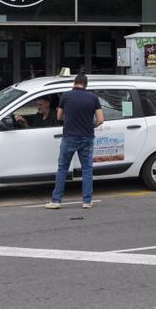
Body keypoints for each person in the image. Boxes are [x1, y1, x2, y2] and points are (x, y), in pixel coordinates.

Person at [45, 74, 104, 210]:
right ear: (86, 84)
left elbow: (59, 116)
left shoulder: (65, 96)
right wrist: (91, 126)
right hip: (87, 137)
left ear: (74, 82)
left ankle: (56, 201)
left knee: (62, 168)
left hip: (70, 137)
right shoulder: (93, 97)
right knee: (87, 169)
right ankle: (87, 201)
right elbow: (100, 119)